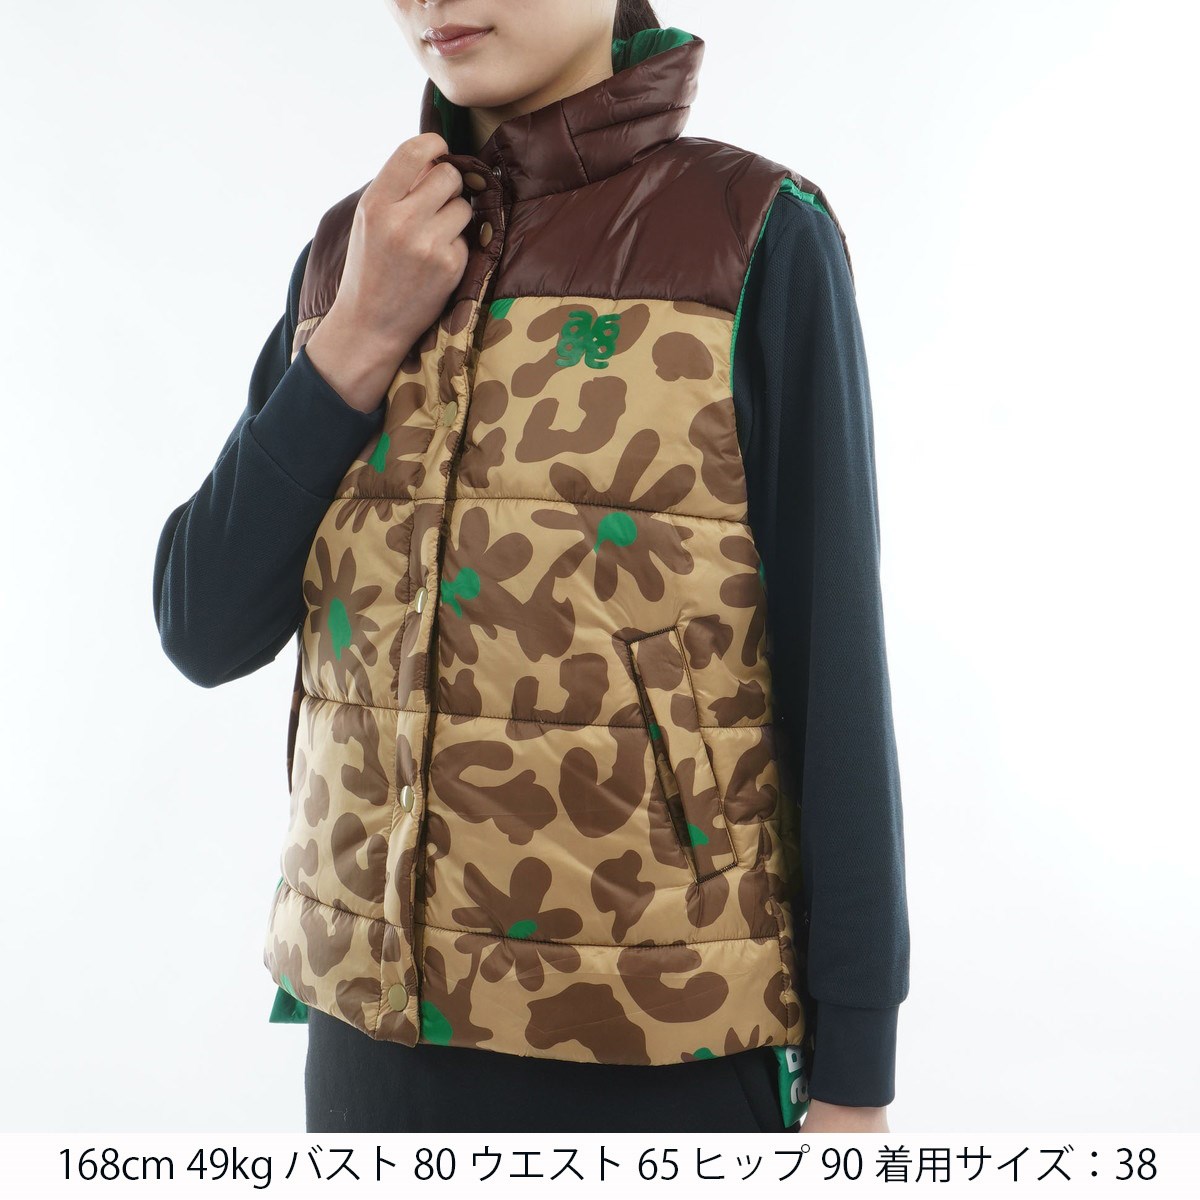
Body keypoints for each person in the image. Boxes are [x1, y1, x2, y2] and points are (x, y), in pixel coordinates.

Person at [153, 0, 909, 1135]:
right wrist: (356, 338)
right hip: (369, 1046)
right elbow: (202, 626)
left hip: (667, 1037)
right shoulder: (353, 254)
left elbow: (835, 666)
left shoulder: (748, 233)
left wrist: (856, 1078)